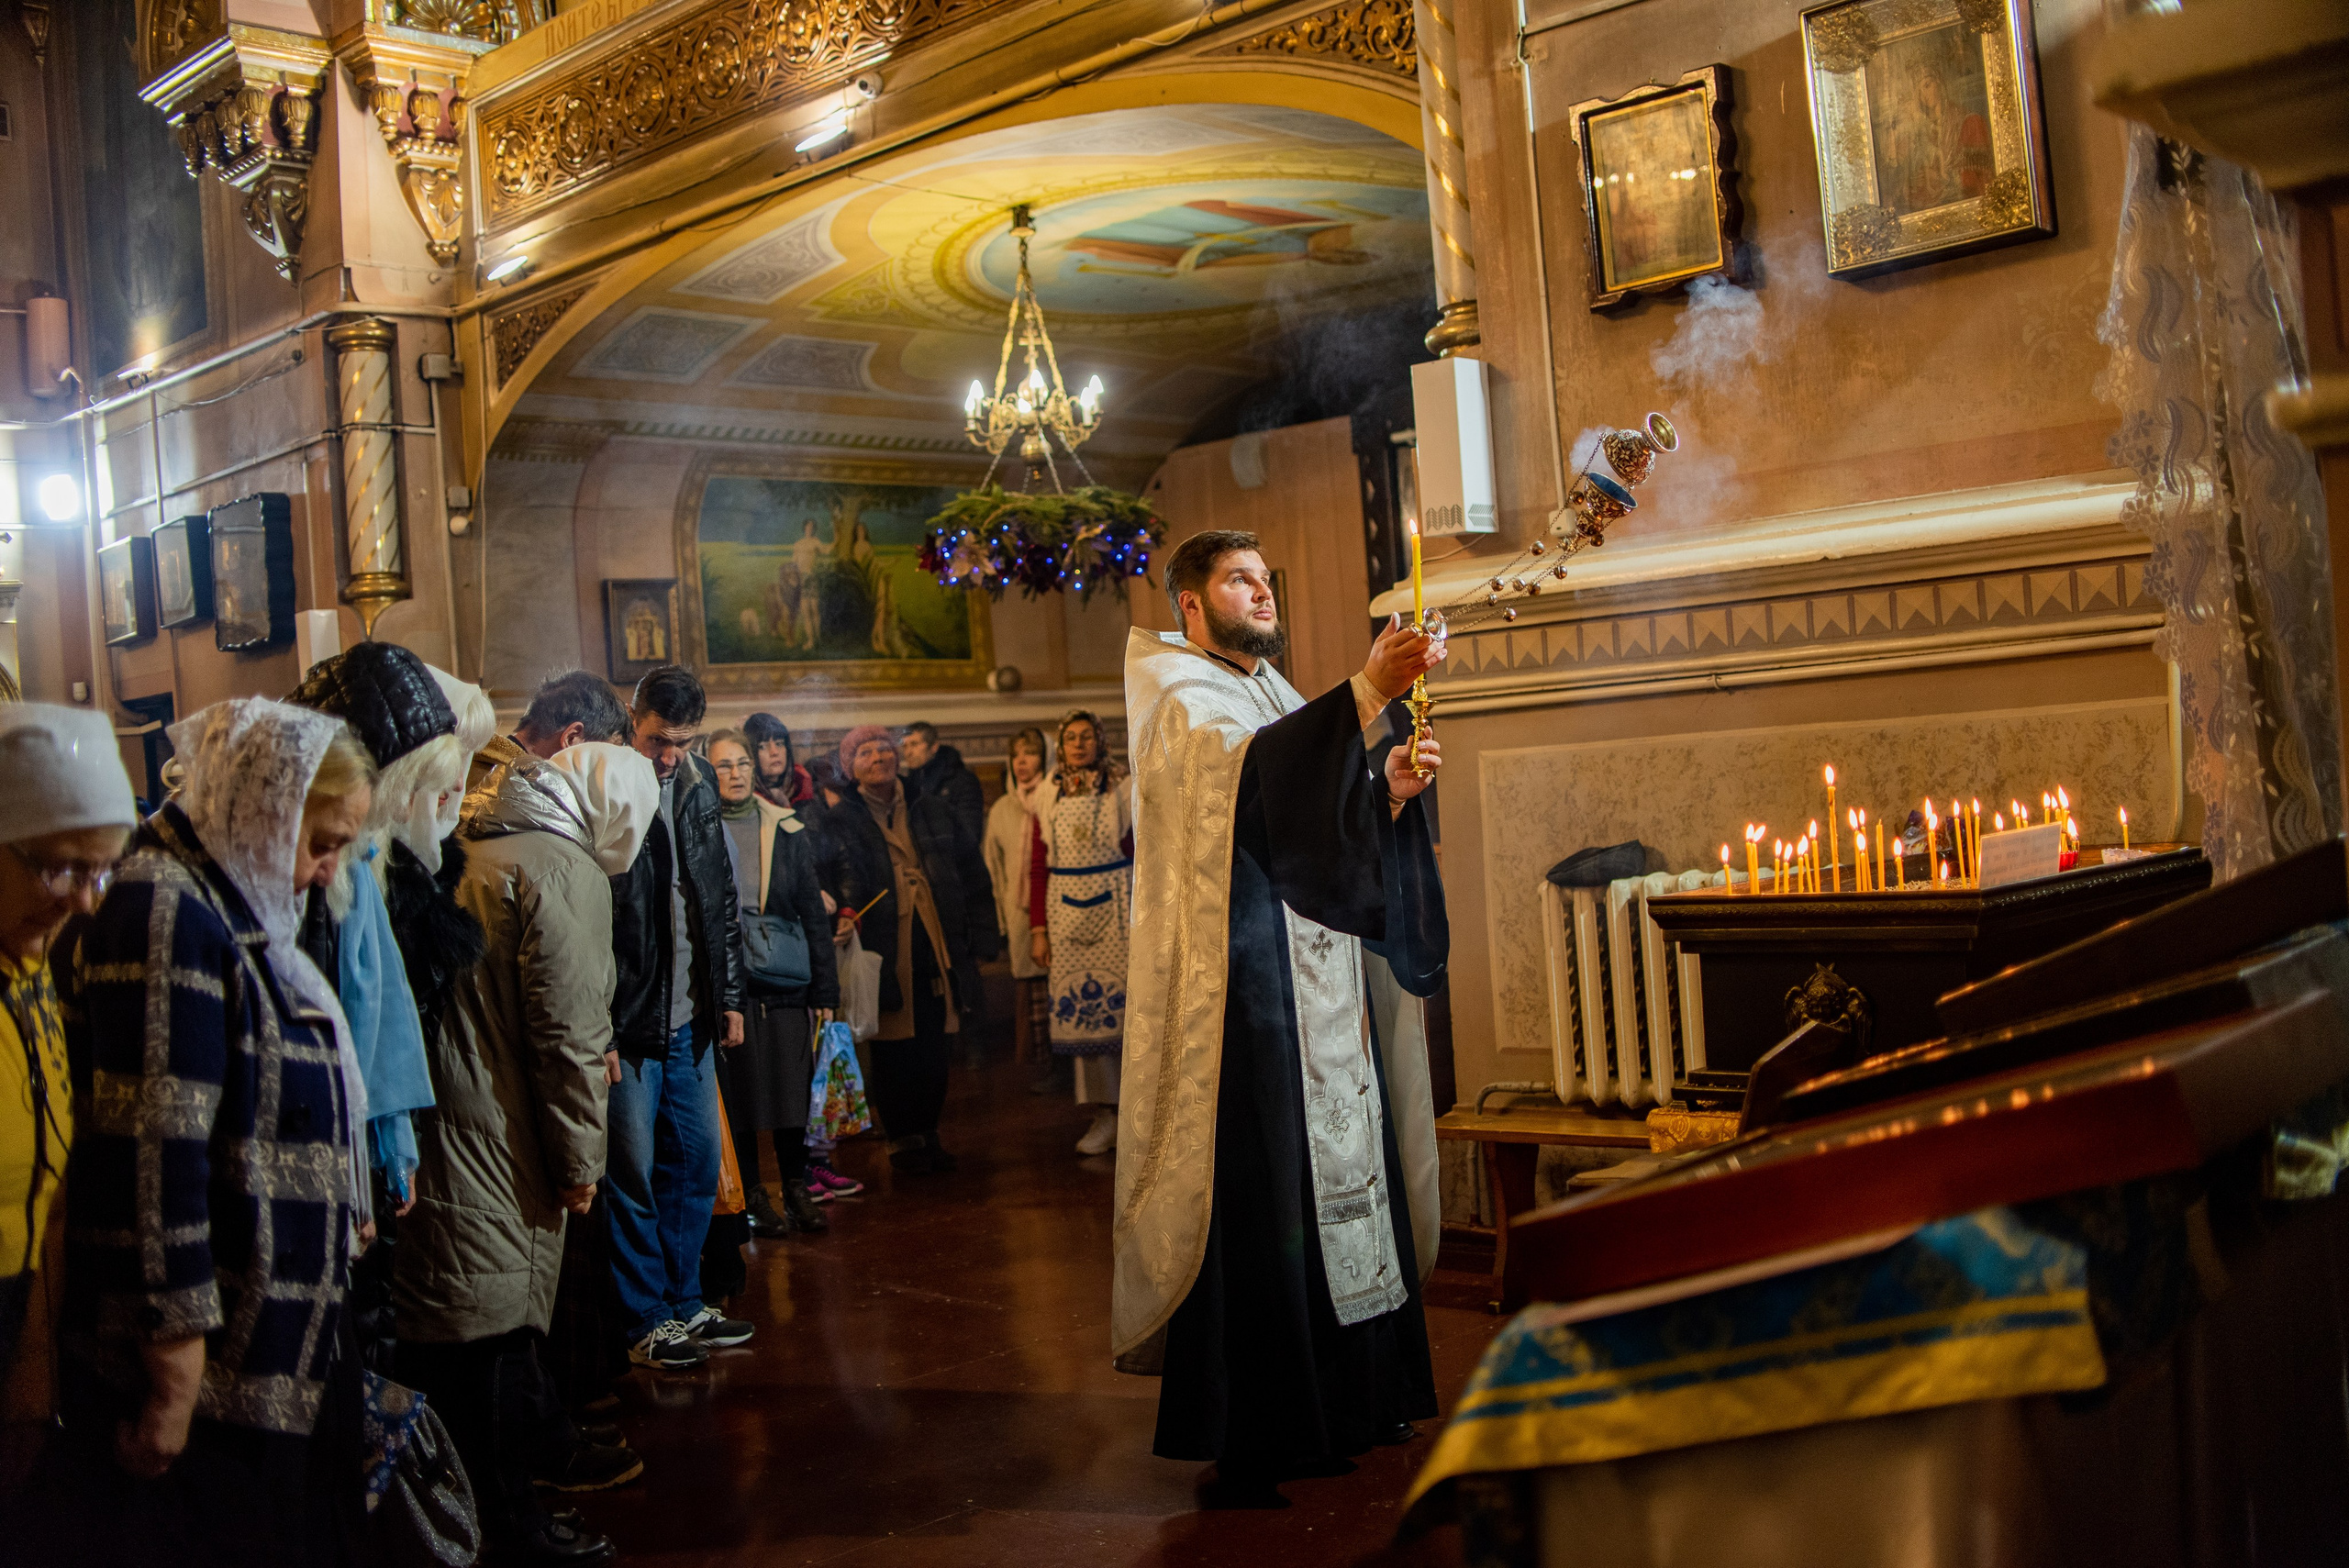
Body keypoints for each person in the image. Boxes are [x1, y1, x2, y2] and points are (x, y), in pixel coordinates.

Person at [1116, 529, 1449, 1489]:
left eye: (1266, 580)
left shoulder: (1274, 689)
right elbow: (1247, 789)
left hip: (1318, 987)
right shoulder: (1177, 691)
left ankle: (1354, 1393)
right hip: (1241, 998)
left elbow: (1313, 817)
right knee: (1270, 1199)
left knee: (1340, 1180)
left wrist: (1385, 786)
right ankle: (1266, 1425)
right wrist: (1368, 692)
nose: (1260, 595)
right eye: (1238, 581)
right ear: (1190, 599)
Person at [45, 699, 375, 1566]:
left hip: (263, 1349)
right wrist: (173, 1373)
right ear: (264, 810)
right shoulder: (164, 905)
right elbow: (154, 1155)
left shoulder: (230, 897)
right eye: (320, 841)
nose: (321, 871)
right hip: (217, 1371)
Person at [395, 740, 657, 1567]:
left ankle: (469, 1514)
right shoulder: (560, 866)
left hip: (442, 1123)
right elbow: (568, 1033)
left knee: (462, 1344)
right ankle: (507, 1524)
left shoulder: (472, 843)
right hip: (500, 1137)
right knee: (497, 1339)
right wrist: (582, 1160)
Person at [0, 706, 137, 1491]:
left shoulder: (32, 971)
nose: (86, 901)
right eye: (60, 867)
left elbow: (44, 1195)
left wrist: (32, 1369)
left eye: (102, 870)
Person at [607, 667, 748, 1370]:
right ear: (632, 718)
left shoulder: (694, 783)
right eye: (657, 739)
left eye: (681, 742)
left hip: (691, 1012)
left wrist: (728, 997)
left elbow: (716, 895)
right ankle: (644, 1317)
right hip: (631, 1017)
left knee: (695, 1160)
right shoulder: (606, 782)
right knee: (631, 1170)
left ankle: (685, 1298)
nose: (668, 756)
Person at [820, 726, 999, 1174]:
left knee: (936, 1043)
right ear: (850, 766)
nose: (878, 756)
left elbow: (972, 875)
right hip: (884, 946)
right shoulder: (841, 819)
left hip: (936, 941)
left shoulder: (933, 808)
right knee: (893, 1048)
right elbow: (830, 878)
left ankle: (929, 1132)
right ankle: (902, 1138)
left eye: (885, 747)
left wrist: (981, 938)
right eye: (865, 751)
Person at [706, 731, 839, 1239]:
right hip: (728, 981)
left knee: (790, 1091)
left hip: (782, 974)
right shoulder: (698, 827)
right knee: (740, 1092)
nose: (736, 773)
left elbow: (811, 911)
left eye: (742, 763)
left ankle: (797, 1187)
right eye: (723, 766)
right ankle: (754, 1195)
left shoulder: (784, 827)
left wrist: (825, 992)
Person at [1027, 711, 1133, 1157]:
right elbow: (1036, 865)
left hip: (1118, 907)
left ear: (1100, 741)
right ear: (1060, 744)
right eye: (1070, 737)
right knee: (1084, 1016)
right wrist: (1038, 930)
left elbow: (1139, 851)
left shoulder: (1124, 787)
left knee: (1130, 1010)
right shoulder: (1044, 794)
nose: (1078, 744)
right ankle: (1103, 1115)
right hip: (1064, 912)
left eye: (1087, 736)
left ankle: (1136, 1113)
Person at [983, 728, 1051, 1070]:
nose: (1022, 762)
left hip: (1060, 907)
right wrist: (999, 919)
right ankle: (1041, 1062)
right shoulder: (1002, 809)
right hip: (1019, 910)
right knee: (1031, 988)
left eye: (1030, 753)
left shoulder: (1057, 798)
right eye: (1016, 755)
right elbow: (993, 870)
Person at [473, 670, 631, 794]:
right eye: (599, 759)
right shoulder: (518, 793)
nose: (600, 777)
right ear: (572, 738)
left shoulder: (473, 764)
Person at [897, 721, 986, 854]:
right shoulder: (909, 786)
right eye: (904, 746)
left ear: (934, 747)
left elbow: (970, 834)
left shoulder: (961, 780)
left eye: (914, 744)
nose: (908, 752)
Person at [743, 711, 813, 809]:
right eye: (762, 747)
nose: (774, 752)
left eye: (779, 744)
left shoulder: (801, 786)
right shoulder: (745, 800)